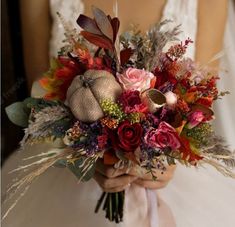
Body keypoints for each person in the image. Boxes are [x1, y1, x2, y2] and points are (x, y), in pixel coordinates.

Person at [2, 0, 235, 226]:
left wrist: (168, 155)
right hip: (65, 172)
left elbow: (200, 105)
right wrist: (89, 155)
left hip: (175, 184)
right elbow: (40, 100)